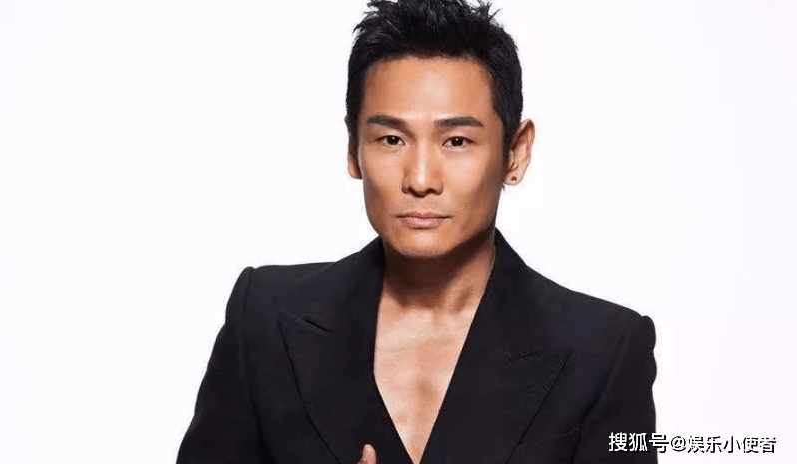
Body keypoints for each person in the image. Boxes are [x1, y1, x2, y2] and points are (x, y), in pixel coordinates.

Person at [176, 0, 657, 463]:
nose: (421, 179)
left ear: (515, 153)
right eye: (391, 139)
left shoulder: (604, 351)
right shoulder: (264, 319)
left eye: (457, 141)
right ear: (353, 149)